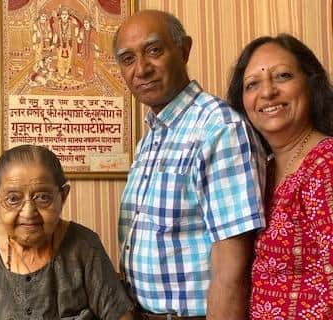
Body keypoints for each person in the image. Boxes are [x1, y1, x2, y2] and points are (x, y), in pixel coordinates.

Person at [114, 10, 265, 319]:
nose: (141, 69)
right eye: (127, 59)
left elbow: (231, 271)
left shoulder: (218, 129)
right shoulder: (152, 137)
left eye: (154, 51)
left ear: (183, 50)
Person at [0, 144, 134, 319]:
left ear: (63, 196)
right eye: (13, 199)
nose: (28, 212)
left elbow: (121, 315)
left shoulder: (84, 245)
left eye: (43, 197)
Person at [227, 33, 333, 319]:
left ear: (311, 85)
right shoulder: (263, 168)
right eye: (252, 84)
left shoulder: (325, 165)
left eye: (282, 76)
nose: (268, 92)